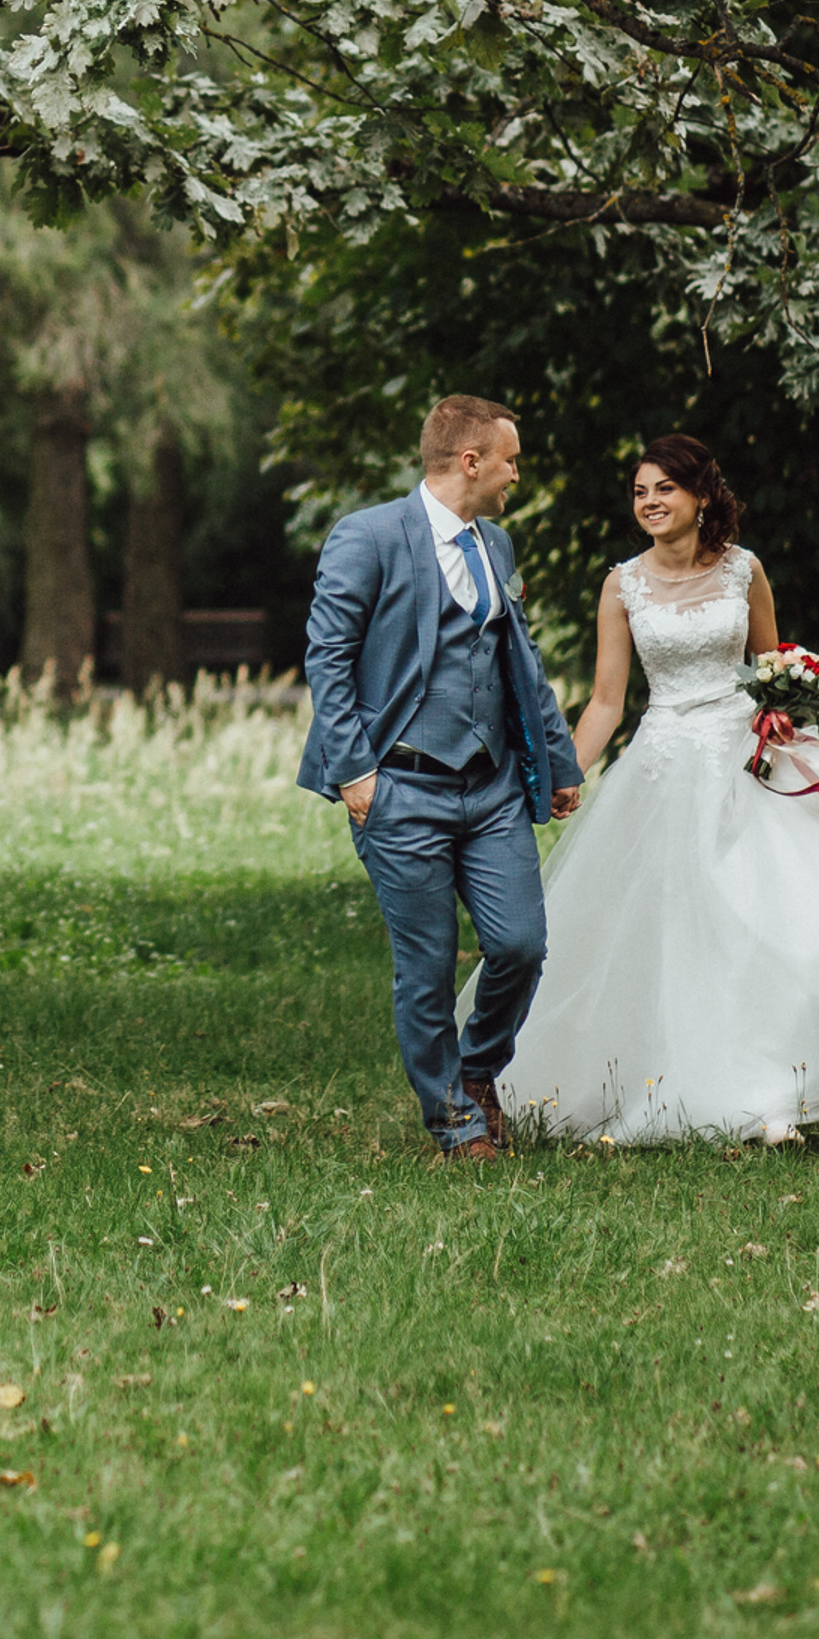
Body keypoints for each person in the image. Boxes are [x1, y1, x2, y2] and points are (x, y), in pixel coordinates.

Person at [481, 435, 819, 1147]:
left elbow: (772, 670)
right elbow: (608, 701)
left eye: (664, 490)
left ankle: (764, 1094)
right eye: (640, 492)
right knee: (667, 935)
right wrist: (566, 774)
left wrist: (795, 719)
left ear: (700, 496)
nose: (649, 503)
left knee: (762, 927)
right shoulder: (623, 584)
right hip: (664, 767)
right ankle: (662, 1084)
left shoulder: (744, 570)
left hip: (747, 762)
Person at [299, 396, 585, 1161]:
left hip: (490, 787)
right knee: (425, 969)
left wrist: (555, 762)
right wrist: (356, 773)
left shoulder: (498, 545)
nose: (515, 476)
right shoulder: (368, 537)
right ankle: (454, 1121)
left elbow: (522, 662)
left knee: (521, 944)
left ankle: (479, 1070)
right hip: (398, 786)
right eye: (510, 460)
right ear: (470, 462)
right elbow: (327, 659)